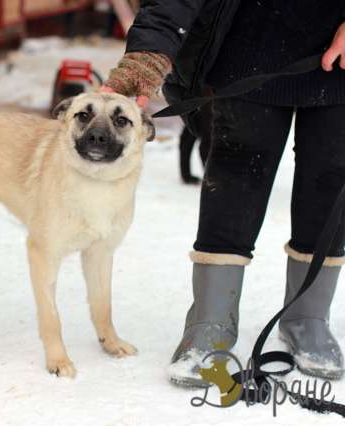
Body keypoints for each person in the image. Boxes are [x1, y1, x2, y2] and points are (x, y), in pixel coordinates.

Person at [101, 0, 345, 387]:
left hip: (339, 62)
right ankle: (211, 322)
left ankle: (308, 318)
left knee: (329, 183)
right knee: (234, 182)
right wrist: (147, 56)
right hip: (246, 52)